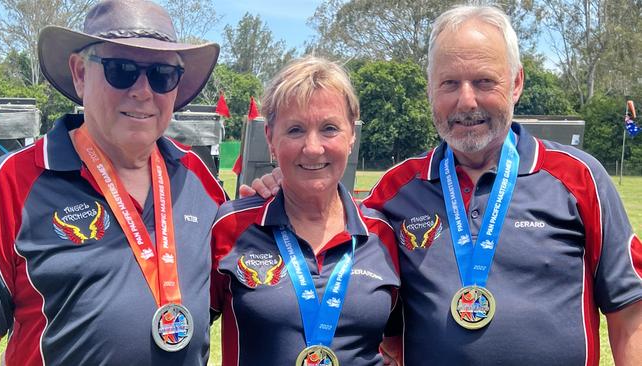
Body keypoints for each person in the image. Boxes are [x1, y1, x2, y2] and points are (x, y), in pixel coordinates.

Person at [251, 5, 642, 365]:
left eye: (484, 81)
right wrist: (282, 187)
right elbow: (355, 284)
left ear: (517, 83)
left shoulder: (579, 178)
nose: (466, 101)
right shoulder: (395, 191)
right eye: (450, 83)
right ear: (430, 89)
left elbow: (630, 314)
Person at [0, 0, 226, 364]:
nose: (143, 91)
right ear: (80, 73)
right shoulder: (11, 182)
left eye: (162, 75)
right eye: (122, 70)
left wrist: (281, 193)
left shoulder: (199, 179)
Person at [210, 56, 401, 366]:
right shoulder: (230, 226)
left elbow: (400, 341)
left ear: (352, 135)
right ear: (271, 138)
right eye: (295, 130)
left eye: (329, 128)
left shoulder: (383, 233)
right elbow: (180, 333)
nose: (313, 148)